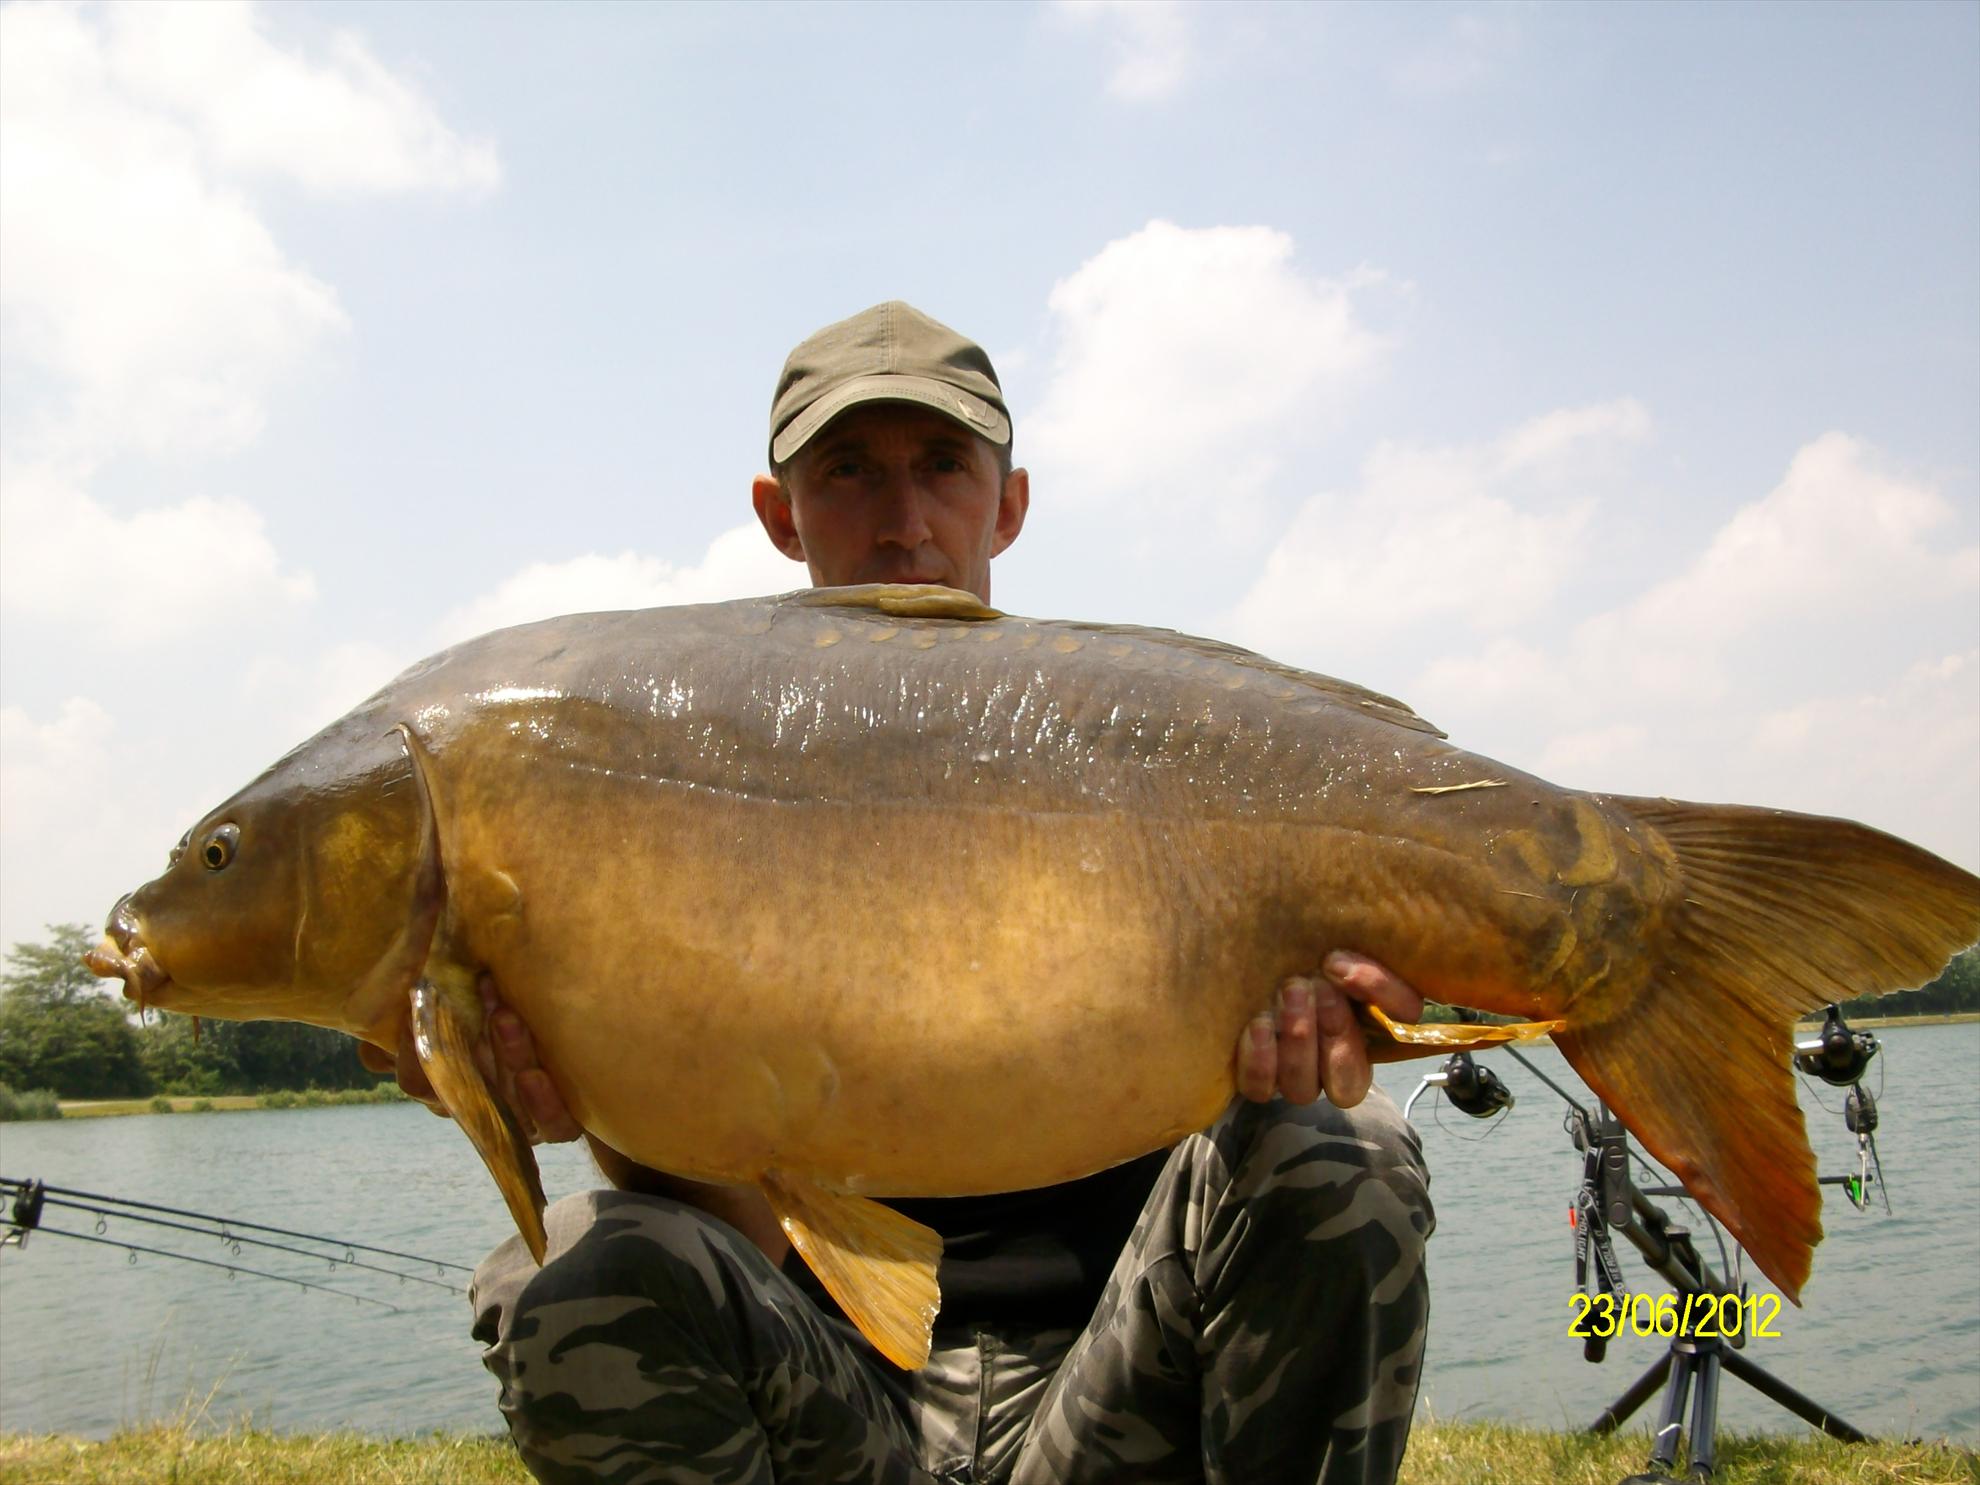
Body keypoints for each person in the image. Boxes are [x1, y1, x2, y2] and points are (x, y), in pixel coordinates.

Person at [376, 301, 1435, 1484]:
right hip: (840, 1403)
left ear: (1010, 503)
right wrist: (590, 1099)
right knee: (564, 1261)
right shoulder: (692, 789)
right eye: (847, 473)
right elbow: (743, 1233)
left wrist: (1330, 1022)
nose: (902, 519)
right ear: (781, 517)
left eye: (942, 467)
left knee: (1343, 1145)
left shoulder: (1135, 750)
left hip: (1116, 1379)